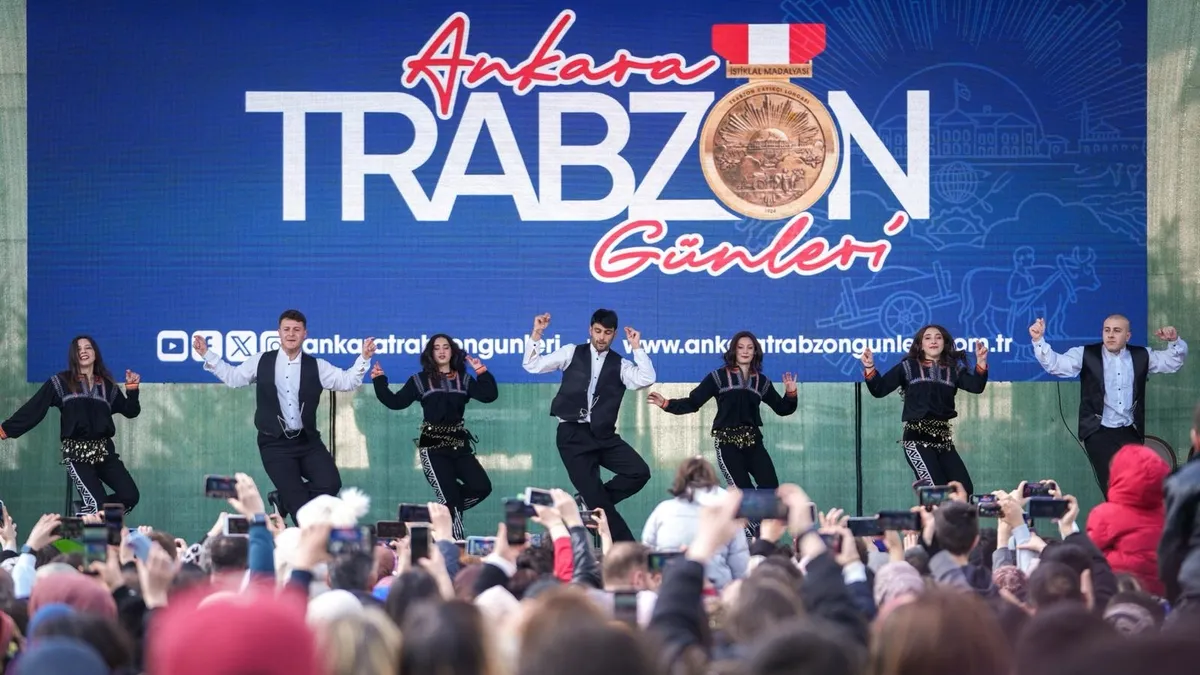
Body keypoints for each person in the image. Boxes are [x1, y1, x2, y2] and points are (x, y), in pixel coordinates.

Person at [195, 309, 374, 522]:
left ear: (305, 334)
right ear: (278, 332)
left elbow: (348, 381)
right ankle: (293, 506)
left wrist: (364, 358)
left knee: (330, 483)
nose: (291, 334)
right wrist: (207, 354)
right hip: (274, 444)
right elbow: (234, 377)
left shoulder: (316, 366)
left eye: (296, 330)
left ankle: (283, 497)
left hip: (307, 441)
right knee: (300, 509)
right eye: (286, 329)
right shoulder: (261, 361)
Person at [522, 309, 655, 542]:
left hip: (603, 436)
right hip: (572, 436)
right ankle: (626, 547)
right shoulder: (571, 352)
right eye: (598, 331)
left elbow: (646, 378)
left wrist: (636, 347)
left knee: (639, 472)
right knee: (600, 503)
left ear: (614, 334)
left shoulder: (620, 364)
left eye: (607, 333)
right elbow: (532, 365)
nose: (601, 337)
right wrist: (537, 334)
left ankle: (589, 500)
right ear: (590, 330)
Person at [646, 331, 796, 534]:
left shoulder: (761, 382)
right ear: (734, 350)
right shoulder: (718, 377)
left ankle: (758, 532)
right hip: (727, 443)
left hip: (753, 442)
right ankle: (752, 534)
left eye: (750, 348)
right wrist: (667, 404)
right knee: (743, 492)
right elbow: (693, 402)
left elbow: (783, 408)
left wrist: (791, 393)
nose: (745, 351)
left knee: (770, 486)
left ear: (755, 352)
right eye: (740, 347)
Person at [1030, 315, 1188, 497]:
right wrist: (1038, 340)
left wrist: (1174, 341)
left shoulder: (1141, 355)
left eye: (1117, 330)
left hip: (1129, 430)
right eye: (1107, 330)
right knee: (1112, 484)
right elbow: (1056, 365)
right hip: (1098, 430)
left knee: (1136, 482)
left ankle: (1130, 514)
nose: (1111, 335)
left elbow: (1172, 362)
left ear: (1127, 336)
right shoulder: (1086, 354)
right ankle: (1116, 513)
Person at [371, 334, 497, 539]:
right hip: (433, 447)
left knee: (481, 487)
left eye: (446, 347)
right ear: (430, 353)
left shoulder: (463, 378)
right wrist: (379, 380)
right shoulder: (420, 380)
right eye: (436, 348)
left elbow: (489, 395)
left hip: (459, 445)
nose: (441, 351)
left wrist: (481, 371)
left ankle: (437, 515)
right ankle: (455, 545)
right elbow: (395, 402)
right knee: (451, 501)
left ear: (452, 352)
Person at [0, 336, 142, 514]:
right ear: (73, 355)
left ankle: (83, 512)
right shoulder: (61, 381)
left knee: (130, 496)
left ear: (95, 353)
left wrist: (132, 389)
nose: (83, 351)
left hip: (105, 452)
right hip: (77, 454)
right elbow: (34, 408)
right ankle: (92, 517)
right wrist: (5, 430)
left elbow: (130, 411)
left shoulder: (107, 386)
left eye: (88, 347)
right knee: (97, 507)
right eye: (78, 349)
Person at [861, 324, 988, 494]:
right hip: (917, 440)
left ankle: (948, 511)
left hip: (944, 441)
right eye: (927, 338)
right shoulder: (908, 367)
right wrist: (870, 367)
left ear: (945, 343)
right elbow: (879, 389)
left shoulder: (954, 369)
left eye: (938, 337)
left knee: (964, 490)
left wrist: (981, 361)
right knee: (937, 492)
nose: (933, 341)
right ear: (920, 345)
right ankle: (931, 510)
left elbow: (976, 386)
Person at [640, 456, 749, 590]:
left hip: (670, 587)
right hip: (716, 590)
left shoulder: (662, 510)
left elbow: (646, 551)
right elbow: (739, 564)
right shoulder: (725, 515)